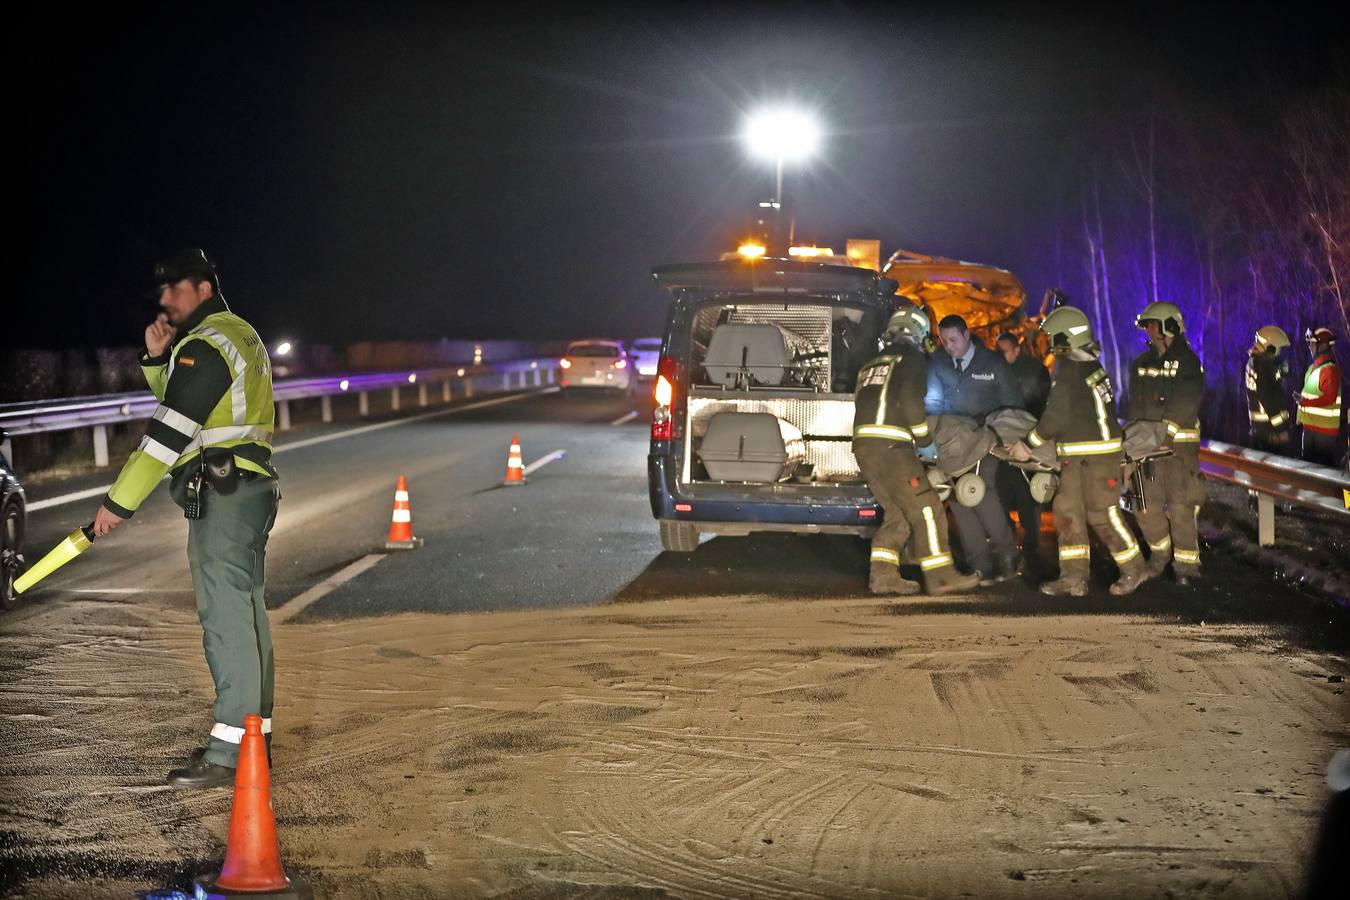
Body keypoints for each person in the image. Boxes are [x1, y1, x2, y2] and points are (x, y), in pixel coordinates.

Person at [92, 250, 279, 788]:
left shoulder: (207, 345)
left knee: (225, 617)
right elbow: (195, 413)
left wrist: (117, 505)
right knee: (246, 612)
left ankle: (228, 754)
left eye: (175, 290)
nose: (165, 301)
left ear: (202, 288)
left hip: (225, 490)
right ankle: (254, 738)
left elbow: (168, 435)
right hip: (249, 484)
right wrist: (157, 362)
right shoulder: (237, 333)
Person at [1011, 307, 1150, 597]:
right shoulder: (1089, 365)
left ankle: (1135, 569)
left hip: (1095, 460)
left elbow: (1056, 417)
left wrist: (1027, 445)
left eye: (1052, 336)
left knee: (1103, 514)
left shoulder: (1069, 368)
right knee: (1067, 513)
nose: (1048, 342)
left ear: (1065, 337)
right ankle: (1073, 578)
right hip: (1081, 458)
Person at [853, 306, 980, 596]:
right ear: (920, 333)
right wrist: (925, 443)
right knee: (927, 508)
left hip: (864, 448)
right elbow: (912, 404)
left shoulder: (870, 364)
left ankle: (883, 576)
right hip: (892, 447)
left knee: (898, 513)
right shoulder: (911, 359)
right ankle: (942, 577)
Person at [925, 315, 1025, 583]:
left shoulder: (992, 363)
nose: (949, 346)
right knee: (959, 501)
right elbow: (932, 402)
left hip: (985, 440)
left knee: (981, 492)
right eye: (944, 341)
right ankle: (980, 565)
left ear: (967, 335)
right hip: (951, 443)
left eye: (954, 340)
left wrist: (1010, 437)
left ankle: (1008, 555)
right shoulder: (937, 363)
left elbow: (1013, 403)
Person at [1126, 301, 1204, 586]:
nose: (1148, 329)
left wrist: (1165, 435)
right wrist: (1134, 446)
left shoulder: (1188, 362)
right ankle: (1159, 557)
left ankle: (1187, 567)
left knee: (1182, 507)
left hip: (1179, 451)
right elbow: (1135, 407)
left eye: (1152, 324)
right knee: (1144, 507)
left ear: (1169, 326)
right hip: (1148, 451)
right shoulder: (1141, 364)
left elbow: (1186, 401)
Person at [995, 330, 1051, 567]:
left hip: (1025, 439)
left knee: (1027, 489)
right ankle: (1015, 533)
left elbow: (1040, 402)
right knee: (1004, 485)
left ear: (1017, 350)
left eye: (1003, 351)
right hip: (1008, 439)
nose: (999, 355)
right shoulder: (1002, 370)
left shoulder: (1032, 371)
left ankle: (1031, 538)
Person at [1297, 327, 1342, 468]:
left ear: (1322, 346)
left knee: (1323, 473)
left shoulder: (1329, 369)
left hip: (1324, 433)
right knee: (1308, 472)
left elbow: (1329, 398)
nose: (1309, 346)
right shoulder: (1313, 368)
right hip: (1310, 429)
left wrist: (1305, 402)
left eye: (1312, 343)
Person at [1244, 326, 1293, 454]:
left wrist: (1279, 373)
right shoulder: (1263, 365)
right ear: (1270, 347)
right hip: (1270, 433)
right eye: (1278, 349)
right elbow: (1268, 399)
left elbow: (1265, 384)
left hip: (1259, 431)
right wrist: (1281, 430)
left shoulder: (1254, 362)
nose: (1279, 353)